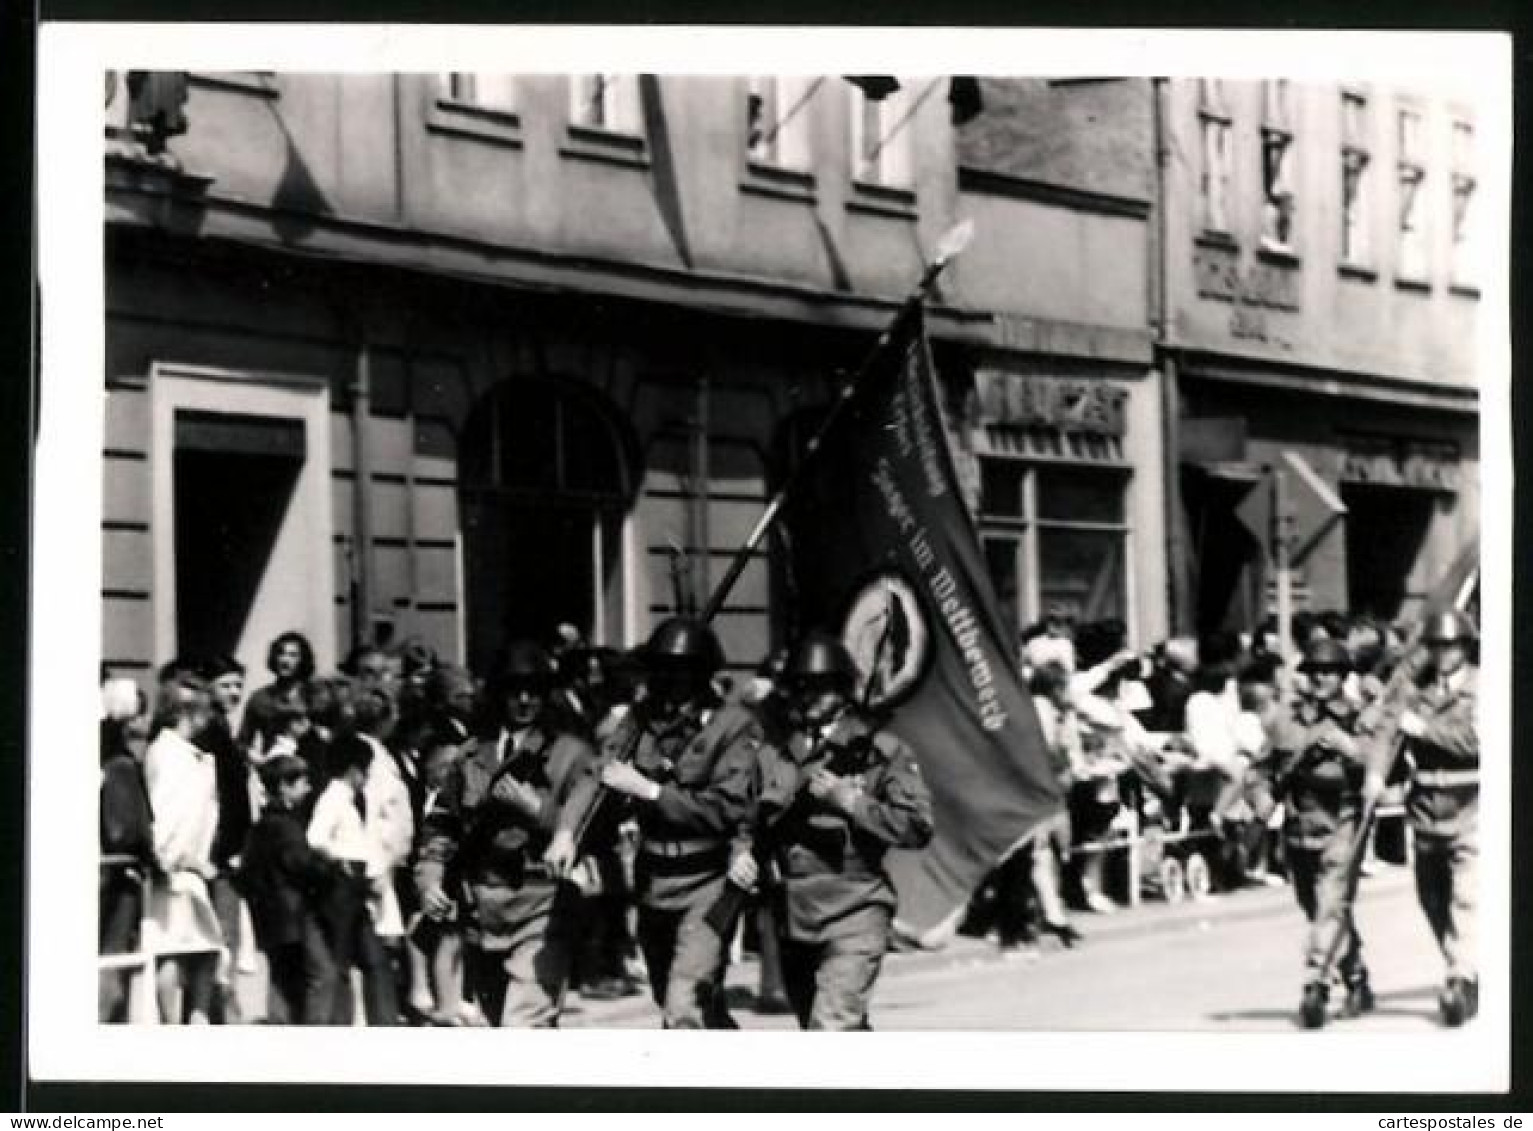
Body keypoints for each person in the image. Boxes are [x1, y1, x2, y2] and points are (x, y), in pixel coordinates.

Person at [552, 616, 761, 1029]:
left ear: (702, 673)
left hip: (707, 882)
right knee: (677, 998)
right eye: (665, 668)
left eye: (684, 669)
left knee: (685, 1006)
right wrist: (565, 832)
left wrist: (649, 791)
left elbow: (726, 807)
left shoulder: (732, 726)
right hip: (653, 881)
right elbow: (598, 773)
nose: (674, 679)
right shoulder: (640, 721)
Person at [730, 632, 932, 1030]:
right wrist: (741, 852)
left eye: (820, 689)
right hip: (792, 911)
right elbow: (745, 815)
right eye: (800, 688)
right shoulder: (774, 752)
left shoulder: (880, 750)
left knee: (831, 1027)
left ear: (842, 691)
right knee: (823, 1028)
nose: (808, 698)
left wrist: (850, 801)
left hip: (855, 905)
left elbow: (917, 826)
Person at [416, 640, 597, 1027]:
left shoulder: (572, 754)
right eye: (514, 691)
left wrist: (538, 810)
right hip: (484, 909)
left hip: (543, 904)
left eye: (534, 691)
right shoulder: (471, 754)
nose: (525, 701)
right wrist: (430, 879)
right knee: (499, 1026)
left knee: (524, 1025)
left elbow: (592, 826)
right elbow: (442, 822)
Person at [1365, 609, 1480, 1026]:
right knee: (1432, 898)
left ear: (1464, 647)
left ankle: (1460, 975)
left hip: (1471, 802)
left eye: (1448, 645)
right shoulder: (1416, 692)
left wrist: (1424, 730)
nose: (1441, 653)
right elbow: (1389, 732)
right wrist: (1376, 775)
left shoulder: (1483, 688)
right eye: (1434, 645)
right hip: (1426, 806)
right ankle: (1463, 968)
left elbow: (1476, 741)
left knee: (1467, 897)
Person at [1254, 637, 1375, 1028]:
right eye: (1316, 671)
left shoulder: (1360, 719)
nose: (1322, 678)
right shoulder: (1285, 720)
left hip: (1344, 821)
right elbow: (1260, 768)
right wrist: (1259, 797)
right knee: (1319, 907)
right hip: (1298, 827)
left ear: (1344, 677)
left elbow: (1385, 768)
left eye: (1331, 672)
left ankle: (1315, 983)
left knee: (1331, 901)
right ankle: (1356, 976)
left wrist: (1352, 749)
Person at [235, 752, 343, 1024]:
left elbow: (244, 875)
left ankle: (281, 1034)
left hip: (267, 916)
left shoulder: (258, 828)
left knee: (283, 978)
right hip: (295, 914)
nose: (307, 788)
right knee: (323, 974)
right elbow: (304, 867)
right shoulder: (288, 827)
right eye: (302, 783)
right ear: (284, 785)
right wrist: (329, 865)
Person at [142, 673, 224, 1024]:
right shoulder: (171, 755)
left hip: (190, 868)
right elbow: (167, 815)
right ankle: (176, 1024)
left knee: (203, 945)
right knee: (174, 946)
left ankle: (195, 1019)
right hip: (177, 870)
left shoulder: (188, 756)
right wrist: (182, 859)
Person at [307, 731, 398, 1025]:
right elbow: (315, 837)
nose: (367, 777)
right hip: (341, 885)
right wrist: (338, 859)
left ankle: (384, 1021)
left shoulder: (354, 800)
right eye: (365, 770)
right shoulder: (332, 797)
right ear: (353, 770)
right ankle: (340, 1024)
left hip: (359, 884)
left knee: (374, 958)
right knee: (341, 957)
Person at [200, 654, 252, 1023]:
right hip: (221, 852)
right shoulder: (211, 732)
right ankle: (222, 1013)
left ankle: (224, 1007)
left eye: (237, 685)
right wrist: (230, 849)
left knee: (227, 934)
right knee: (222, 934)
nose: (234, 692)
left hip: (230, 850)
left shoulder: (224, 729)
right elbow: (224, 797)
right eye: (225, 685)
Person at [99, 687, 155, 1022]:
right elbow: (125, 830)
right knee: (113, 953)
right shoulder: (122, 764)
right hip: (120, 874)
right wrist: (146, 848)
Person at [239, 631, 317, 756]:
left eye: (293, 655)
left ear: (303, 660)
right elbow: (242, 742)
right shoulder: (260, 698)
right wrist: (257, 759)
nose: (285, 660)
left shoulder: (314, 695)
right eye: (281, 653)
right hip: (275, 766)